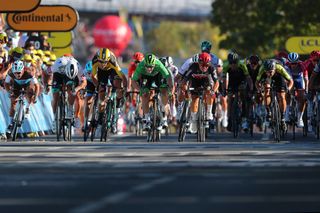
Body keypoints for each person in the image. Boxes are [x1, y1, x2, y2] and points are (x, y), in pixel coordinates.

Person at [131, 53, 173, 130]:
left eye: (151, 67)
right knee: (144, 94)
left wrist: (170, 89)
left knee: (164, 91)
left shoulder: (158, 64)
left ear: (154, 64)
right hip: (146, 77)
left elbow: (168, 77)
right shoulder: (141, 66)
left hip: (158, 76)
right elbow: (133, 81)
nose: (149, 69)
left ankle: (164, 117)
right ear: (145, 64)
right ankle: (147, 119)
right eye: (147, 66)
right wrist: (140, 90)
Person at [179, 52, 219, 133]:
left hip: (207, 81)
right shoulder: (193, 67)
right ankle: (194, 120)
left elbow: (216, 82)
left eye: (206, 65)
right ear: (198, 63)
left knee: (209, 92)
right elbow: (184, 80)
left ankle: (208, 113)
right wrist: (185, 88)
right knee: (194, 99)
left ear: (209, 64)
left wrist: (213, 91)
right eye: (202, 65)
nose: (204, 67)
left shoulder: (211, 68)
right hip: (195, 82)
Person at [91, 48, 127, 133]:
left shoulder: (112, 61)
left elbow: (122, 76)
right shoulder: (95, 60)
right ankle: (100, 117)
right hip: (101, 73)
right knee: (101, 93)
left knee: (117, 83)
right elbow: (93, 76)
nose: (103, 64)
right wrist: (98, 86)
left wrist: (125, 88)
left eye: (105, 62)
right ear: (98, 59)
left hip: (112, 70)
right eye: (101, 62)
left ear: (108, 60)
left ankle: (117, 104)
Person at [256, 59, 294, 131]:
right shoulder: (262, 69)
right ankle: (268, 111)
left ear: (274, 69)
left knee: (282, 96)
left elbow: (291, 81)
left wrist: (288, 88)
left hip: (279, 77)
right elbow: (257, 82)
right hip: (267, 79)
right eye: (267, 72)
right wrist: (259, 89)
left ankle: (282, 117)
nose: (269, 73)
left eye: (270, 72)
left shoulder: (279, 68)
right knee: (266, 89)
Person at [51, 55, 87, 130]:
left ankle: (70, 108)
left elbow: (84, 83)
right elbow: (49, 75)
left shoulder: (78, 67)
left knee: (72, 91)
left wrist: (76, 89)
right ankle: (54, 119)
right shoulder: (58, 64)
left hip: (72, 76)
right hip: (59, 74)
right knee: (56, 95)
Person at [4, 60, 39, 136]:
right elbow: (6, 83)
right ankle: (10, 124)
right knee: (13, 102)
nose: (17, 75)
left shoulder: (29, 74)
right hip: (16, 87)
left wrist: (35, 97)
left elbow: (37, 86)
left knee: (30, 91)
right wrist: (9, 91)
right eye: (15, 73)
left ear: (23, 70)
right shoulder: (11, 74)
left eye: (19, 73)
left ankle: (27, 108)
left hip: (27, 86)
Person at [224, 52, 253, 132]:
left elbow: (248, 78)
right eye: (231, 63)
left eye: (234, 62)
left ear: (237, 62)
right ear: (228, 62)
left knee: (243, 96)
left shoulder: (242, 65)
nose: (233, 65)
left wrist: (250, 89)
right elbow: (224, 80)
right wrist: (224, 90)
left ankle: (244, 118)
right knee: (229, 98)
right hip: (232, 82)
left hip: (241, 81)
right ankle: (229, 118)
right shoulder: (226, 66)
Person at [286, 52, 308, 127]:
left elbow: (305, 78)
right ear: (289, 62)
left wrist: (306, 90)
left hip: (299, 79)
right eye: (291, 63)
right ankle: (287, 112)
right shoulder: (286, 65)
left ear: (298, 62)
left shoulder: (302, 65)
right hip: (289, 79)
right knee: (287, 92)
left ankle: (300, 118)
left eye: (295, 63)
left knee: (302, 98)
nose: (293, 65)